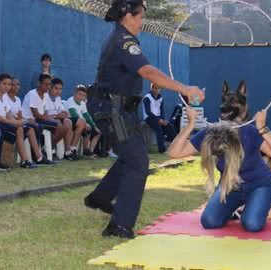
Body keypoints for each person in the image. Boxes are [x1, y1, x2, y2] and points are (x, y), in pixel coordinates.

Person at [83, 0, 204, 239]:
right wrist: (184, 88)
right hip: (112, 109)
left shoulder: (124, 39)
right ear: (127, 16)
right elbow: (148, 73)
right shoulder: (123, 42)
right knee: (138, 162)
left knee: (132, 156)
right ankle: (119, 226)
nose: (142, 22)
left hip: (120, 109)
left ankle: (100, 197)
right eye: (140, 17)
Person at [167, 108, 271, 232]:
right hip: (229, 186)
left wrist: (262, 128)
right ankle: (235, 210)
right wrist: (191, 124)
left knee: (252, 224)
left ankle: (256, 207)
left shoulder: (248, 132)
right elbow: (174, 153)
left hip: (260, 185)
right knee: (209, 221)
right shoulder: (209, 133)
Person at [65, 85, 101, 158]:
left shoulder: (82, 103)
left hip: (80, 123)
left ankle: (87, 151)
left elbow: (87, 116)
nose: (81, 97)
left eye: (83, 95)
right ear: (75, 93)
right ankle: (72, 149)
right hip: (70, 122)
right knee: (84, 125)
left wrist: (94, 126)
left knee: (94, 131)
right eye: (79, 94)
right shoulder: (70, 100)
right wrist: (85, 123)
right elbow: (73, 114)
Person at [143, 83, 176, 153]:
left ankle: (175, 145)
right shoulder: (147, 98)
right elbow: (148, 112)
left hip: (158, 118)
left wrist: (163, 120)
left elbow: (162, 111)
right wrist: (158, 120)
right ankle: (162, 149)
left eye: (159, 88)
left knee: (170, 127)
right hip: (149, 118)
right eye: (155, 88)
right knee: (159, 129)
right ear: (152, 88)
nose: (157, 90)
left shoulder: (160, 98)